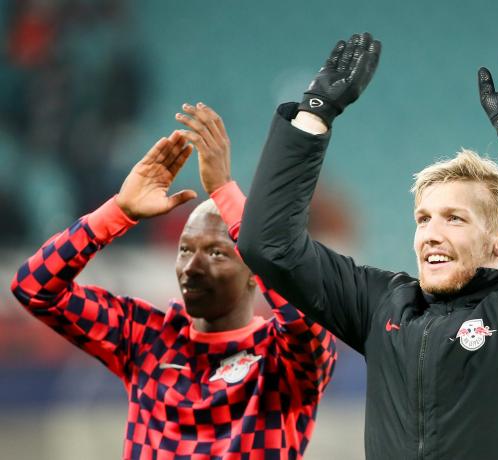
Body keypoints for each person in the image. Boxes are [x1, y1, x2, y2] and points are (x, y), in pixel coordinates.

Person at [237, 33, 498, 459]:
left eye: (454, 218)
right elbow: (269, 244)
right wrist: (313, 115)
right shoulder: (383, 306)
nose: (431, 232)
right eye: (423, 219)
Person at [11, 103, 337, 459]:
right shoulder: (148, 337)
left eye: (215, 253)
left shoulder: (283, 358)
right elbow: (34, 287)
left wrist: (225, 192)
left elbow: (307, 315)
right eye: (184, 250)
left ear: (254, 275)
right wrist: (119, 211)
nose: (191, 266)